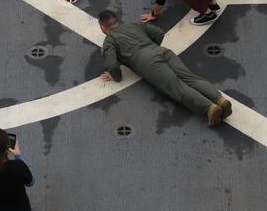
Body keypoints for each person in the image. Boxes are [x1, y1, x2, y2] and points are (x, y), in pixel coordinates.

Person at [98, 10, 233, 127]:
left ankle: (209, 108)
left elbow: (112, 64)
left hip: (148, 63)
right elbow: (159, 33)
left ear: (103, 28)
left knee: (177, 87)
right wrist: (152, 48)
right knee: (191, 78)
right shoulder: (133, 25)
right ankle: (220, 100)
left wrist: (116, 76)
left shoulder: (110, 40)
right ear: (117, 20)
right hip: (162, 52)